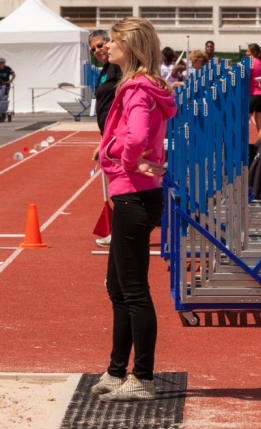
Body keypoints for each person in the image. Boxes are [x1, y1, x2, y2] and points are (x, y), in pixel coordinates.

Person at [92, 16, 177, 402]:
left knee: (134, 290)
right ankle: (116, 370)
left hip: (134, 196)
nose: (107, 47)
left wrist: (120, 158)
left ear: (131, 47)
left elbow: (137, 136)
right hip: (135, 194)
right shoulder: (142, 86)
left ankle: (142, 376)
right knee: (118, 287)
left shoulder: (137, 89)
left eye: (113, 41)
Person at [88, 29, 122, 249]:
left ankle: (120, 233)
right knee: (117, 187)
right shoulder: (105, 70)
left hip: (117, 136)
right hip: (108, 136)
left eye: (100, 45)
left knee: (120, 188)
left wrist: (108, 139)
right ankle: (120, 232)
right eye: (93, 49)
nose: (98, 50)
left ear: (110, 43)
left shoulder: (119, 67)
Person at [246, 43, 261, 141]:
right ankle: (260, 148)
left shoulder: (250, 62)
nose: (246, 53)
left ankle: (244, 147)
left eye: (248, 51)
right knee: (260, 123)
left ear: (254, 53)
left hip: (253, 94)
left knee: (244, 122)